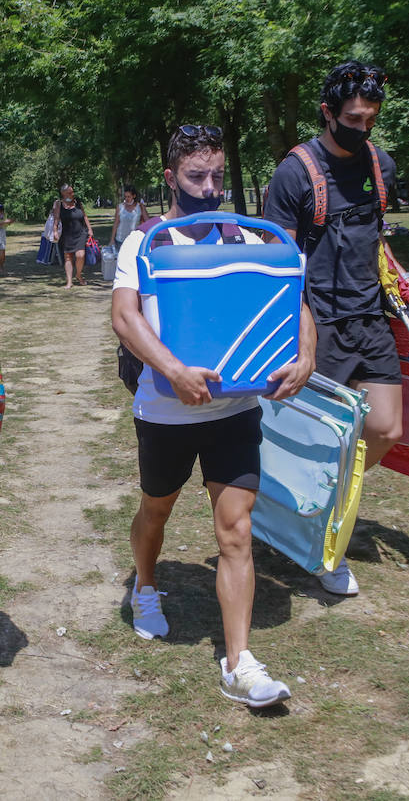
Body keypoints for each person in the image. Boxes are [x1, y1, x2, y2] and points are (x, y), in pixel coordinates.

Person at [111, 125, 314, 708]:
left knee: (236, 531)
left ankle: (239, 663)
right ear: (171, 177)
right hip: (166, 412)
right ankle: (145, 586)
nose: (210, 188)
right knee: (157, 508)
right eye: (197, 177)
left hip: (237, 408)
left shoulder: (248, 240)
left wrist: (307, 356)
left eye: (218, 176)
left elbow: (295, 301)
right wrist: (173, 370)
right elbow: (125, 318)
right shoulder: (146, 242)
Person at [262, 61, 402, 597]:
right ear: (327, 112)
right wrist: (297, 335)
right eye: (352, 118)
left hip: (370, 319)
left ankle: (323, 516)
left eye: (370, 118)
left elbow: (377, 241)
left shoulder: (380, 165)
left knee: (385, 431)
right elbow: (278, 263)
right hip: (319, 324)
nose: (362, 127)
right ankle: (324, 546)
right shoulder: (295, 173)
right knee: (320, 442)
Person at [50, 183, 94, 288]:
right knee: (68, 257)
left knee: (80, 255)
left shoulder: (78, 202)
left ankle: (78, 275)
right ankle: (69, 281)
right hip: (66, 234)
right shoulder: (59, 204)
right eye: (69, 192)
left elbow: (84, 216)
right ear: (63, 193)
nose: (72, 194)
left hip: (80, 233)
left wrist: (90, 229)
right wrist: (55, 230)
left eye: (72, 192)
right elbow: (56, 218)